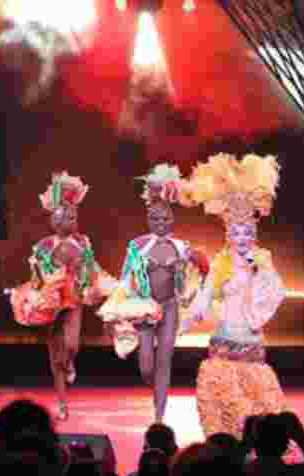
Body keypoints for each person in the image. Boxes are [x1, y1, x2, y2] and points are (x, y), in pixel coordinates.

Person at [177, 153, 289, 441]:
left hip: (251, 340)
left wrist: (258, 272)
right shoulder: (221, 263)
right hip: (224, 340)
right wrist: (184, 323)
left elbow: (275, 291)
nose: (242, 238)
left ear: (253, 233)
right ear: (229, 234)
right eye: (236, 232)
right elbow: (204, 298)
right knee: (224, 402)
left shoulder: (262, 260)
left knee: (259, 402)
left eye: (247, 232)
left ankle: (264, 444)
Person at [97, 164, 209, 423]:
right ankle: (155, 387)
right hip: (146, 312)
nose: (161, 223)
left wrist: (199, 290)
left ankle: (159, 416)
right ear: (148, 219)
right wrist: (120, 312)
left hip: (170, 308)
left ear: (173, 219)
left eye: (166, 219)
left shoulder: (181, 247)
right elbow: (125, 281)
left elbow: (204, 265)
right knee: (147, 366)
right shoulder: (137, 246)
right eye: (156, 219)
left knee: (164, 360)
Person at [6, 172, 116, 420]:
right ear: (52, 219)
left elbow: (90, 268)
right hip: (50, 303)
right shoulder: (43, 246)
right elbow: (36, 275)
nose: (68, 220)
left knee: (71, 345)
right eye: (62, 216)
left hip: (73, 300)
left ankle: (69, 363)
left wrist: (97, 286)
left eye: (72, 216)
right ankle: (62, 403)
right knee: (54, 352)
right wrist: (35, 297)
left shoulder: (82, 242)